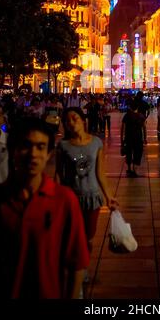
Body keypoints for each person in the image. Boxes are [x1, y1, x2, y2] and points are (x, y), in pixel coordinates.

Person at [0, 118, 89, 298]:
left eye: (41, 147)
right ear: (12, 150)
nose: (33, 154)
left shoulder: (64, 201)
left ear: (49, 154)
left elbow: (77, 265)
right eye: (25, 146)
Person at [56, 107, 118, 252]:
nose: (71, 123)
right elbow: (59, 174)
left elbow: (100, 172)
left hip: (92, 198)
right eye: (67, 121)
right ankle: (75, 271)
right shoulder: (63, 145)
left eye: (75, 118)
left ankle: (83, 270)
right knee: (72, 237)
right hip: (71, 198)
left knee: (88, 237)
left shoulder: (96, 143)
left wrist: (109, 196)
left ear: (83, 121)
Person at [121, 100, 146, 177]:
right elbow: (144, 128)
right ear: (137, 107)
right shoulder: (141, 116)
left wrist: (121, 139)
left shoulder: (126, 116)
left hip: (128, 137)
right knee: (137, 153)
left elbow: (123, 128)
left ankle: (129, 168)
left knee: (128, 152)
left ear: (130, 107)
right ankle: (135, 169)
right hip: (138, 137)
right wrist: (145, 138)